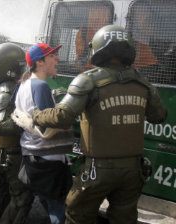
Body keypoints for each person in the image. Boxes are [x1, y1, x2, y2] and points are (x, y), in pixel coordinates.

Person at [32, 25, 168, 224]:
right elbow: (159, 116)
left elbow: (63, 117)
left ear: (97, 48)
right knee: (124, 219)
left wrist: (36, 115)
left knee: (78, 217)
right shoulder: (143, 83)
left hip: (98, 169)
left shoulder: (88, 80)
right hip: (132, 170)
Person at [14, 43, 74, 224]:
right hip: (49, 161)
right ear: (39, 62)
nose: (57, 58)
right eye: (51, 56)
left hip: (34, 158)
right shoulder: (40, 86)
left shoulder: (25, 85)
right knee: (60, 213)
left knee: (50, 206)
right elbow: (49, 125)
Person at [0, 42, 34, 224]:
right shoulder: (7, 88)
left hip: (0, 153)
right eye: (20, 65)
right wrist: (31, 120)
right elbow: (2, 126)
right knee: (22, 199)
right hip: (11, 156)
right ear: (10, 68)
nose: (23, 68)